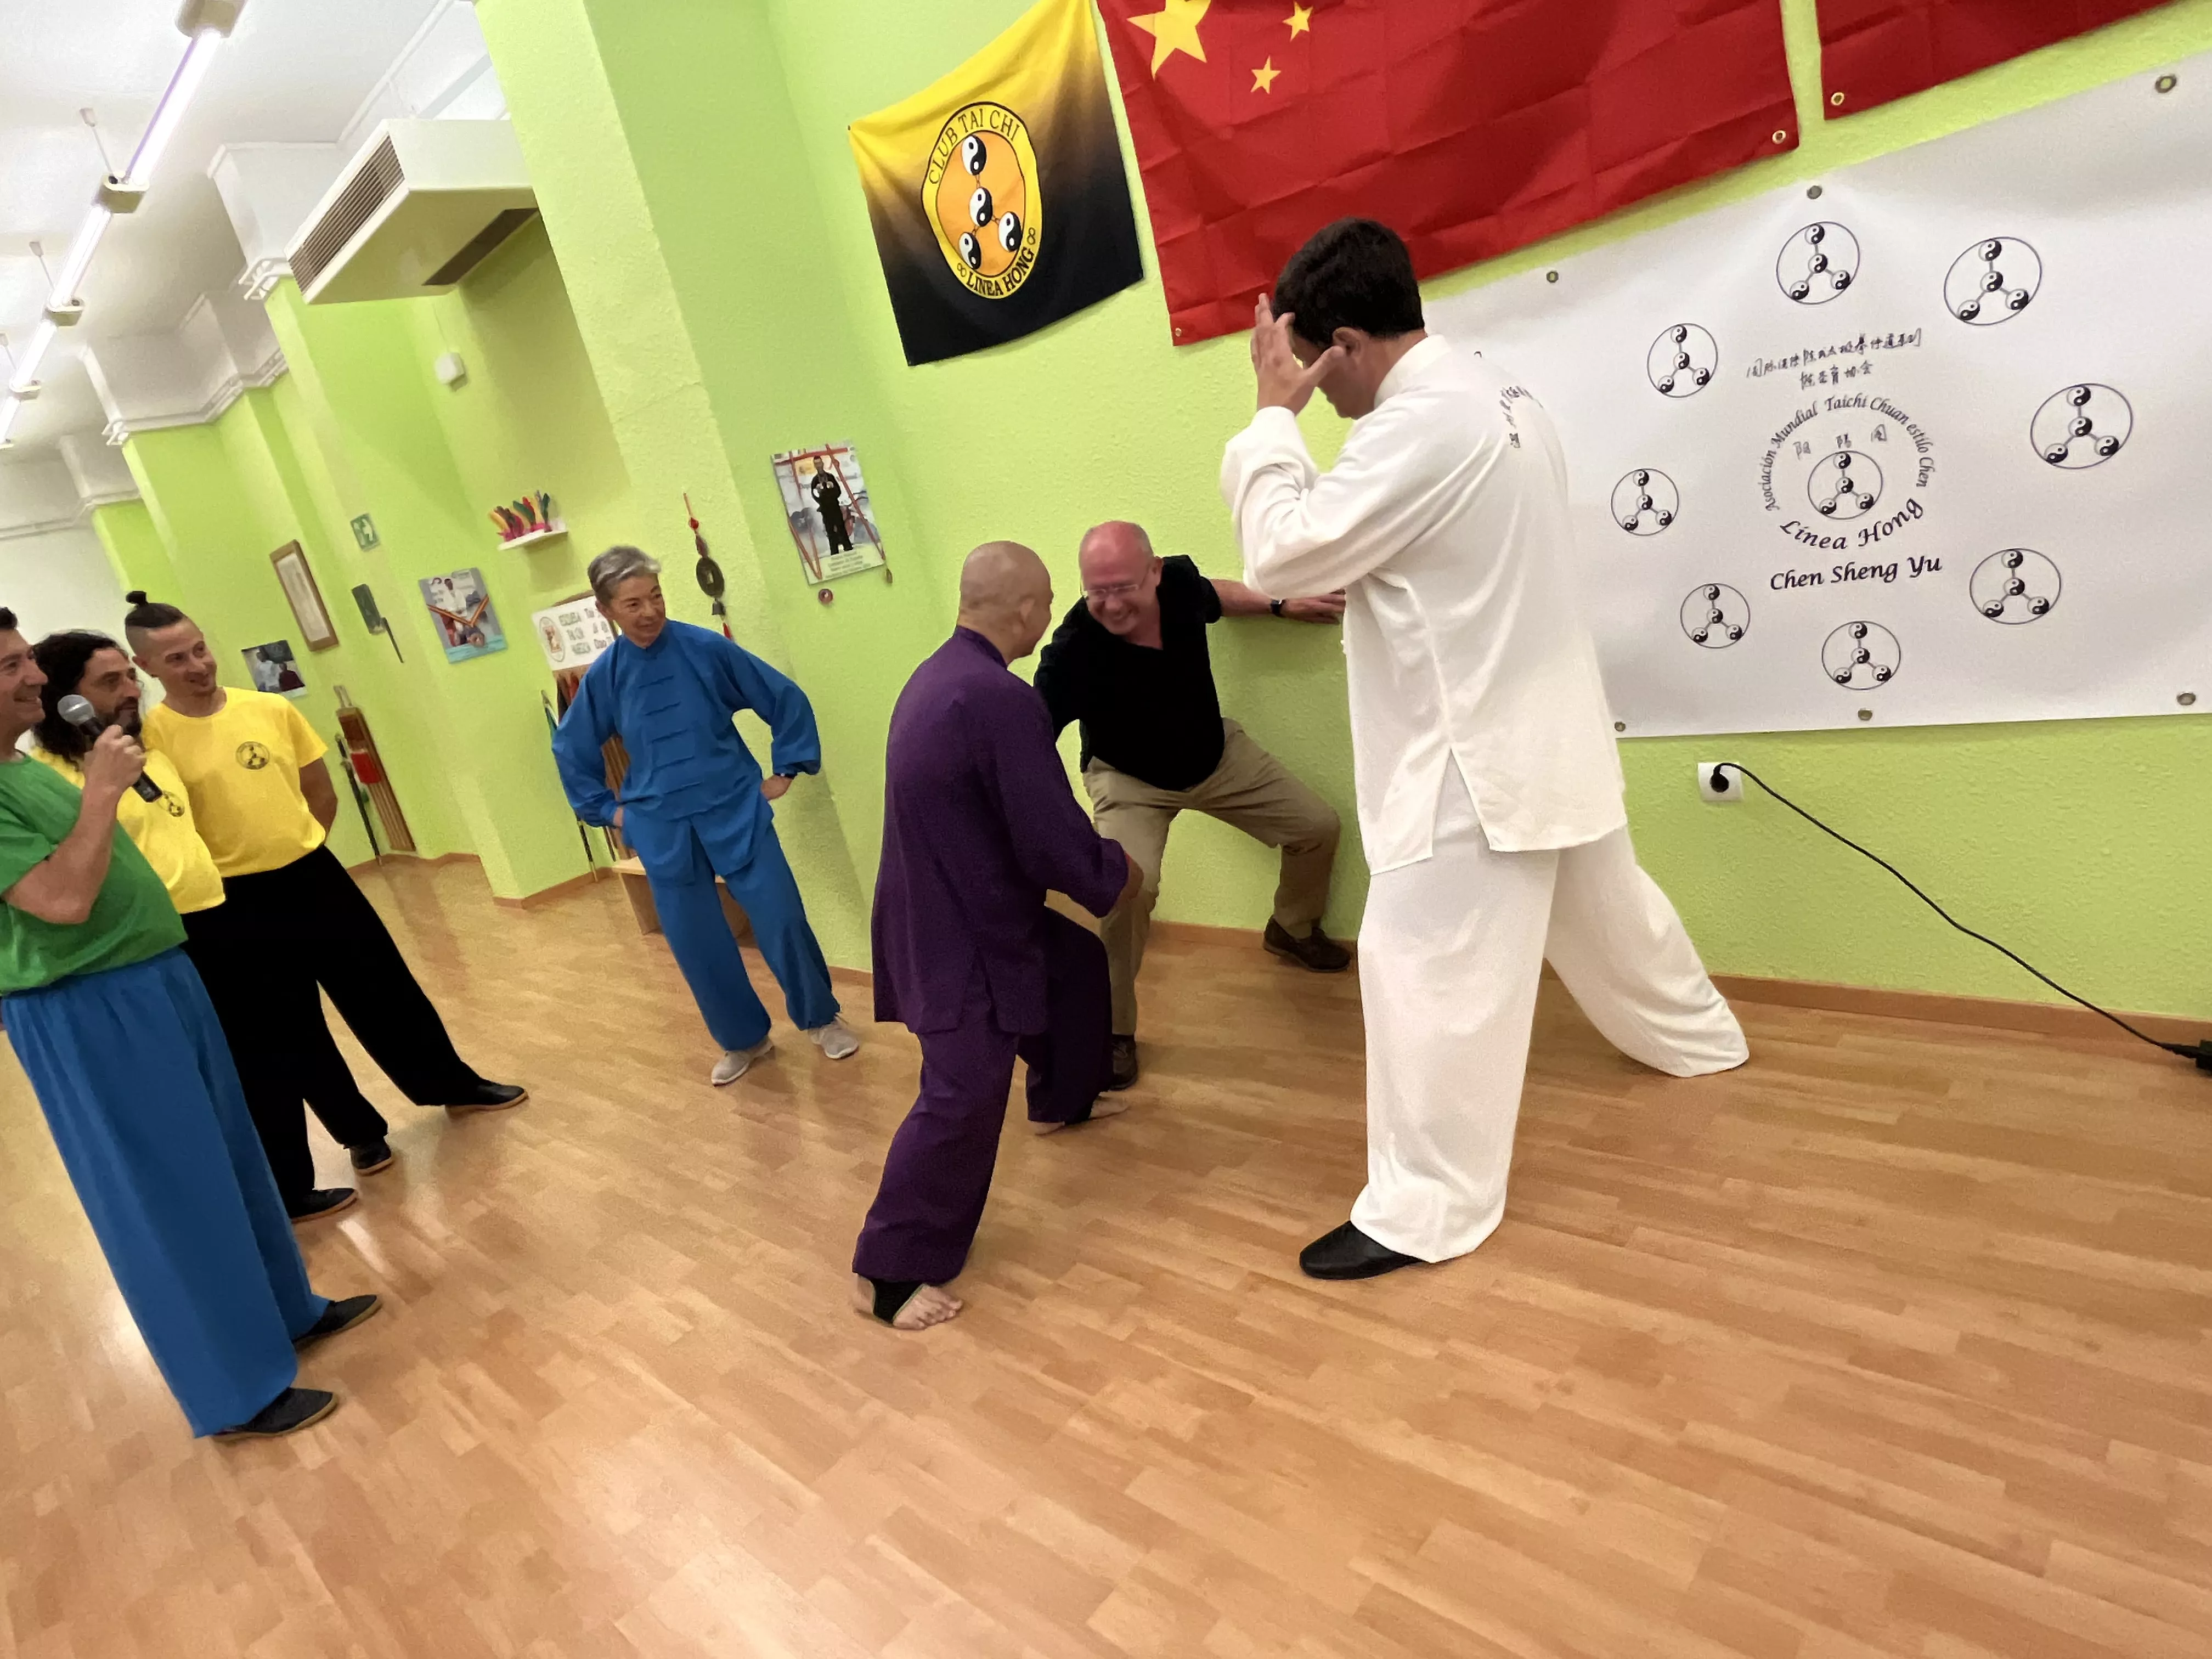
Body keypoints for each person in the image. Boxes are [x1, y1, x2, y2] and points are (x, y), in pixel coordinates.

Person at [1220, 219, 1748, 1281]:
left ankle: (1424, 1209)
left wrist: (1269, 421)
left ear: (1349, 343)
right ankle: (1698, 1040)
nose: (1317, 397)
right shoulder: (1502, 395)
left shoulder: (1417, 430)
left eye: (1316, 373)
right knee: (1612, 915)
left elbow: (1279, 550)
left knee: (1420, 972)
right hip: (1547, 732)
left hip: (1472, 757)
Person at [0, 610, 377, 1439]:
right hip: (84, 1003)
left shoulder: (19, 771)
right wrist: (101, 792)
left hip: (158, 974)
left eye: (27, 659)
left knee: (233, 1161)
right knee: (167, 1193)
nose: (32, 678)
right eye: (10, 668)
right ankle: (234, 1387)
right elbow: (59, 902)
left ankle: (288, 1311)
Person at [851, 541, 1139, 1330]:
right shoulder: (997, 699)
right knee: (961, 1094)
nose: (1050, 618)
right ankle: (888, 1271)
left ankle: (1063, 1100)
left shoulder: (942, 675)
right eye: (1049, 603)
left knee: (1073, 965)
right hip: (959, 936)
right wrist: (1114, 876)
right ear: (1025, 610)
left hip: (956, 903)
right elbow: (1047, 833)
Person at [126, 594, 526, 1142]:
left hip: (313, 876)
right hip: (236, 904)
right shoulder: (152, 741)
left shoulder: (270, 709)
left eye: (200, 650)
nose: (197, 666)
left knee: (385, 989)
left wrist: (298, 848)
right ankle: (360, 1133)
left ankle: (450, 1083)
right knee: (292, 1026)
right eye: (176, 659)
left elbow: (320, 793)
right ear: (145, 666)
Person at [29, 631, 363, 1222]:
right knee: (241, 1070)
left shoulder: (144, 751)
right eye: (109, 683)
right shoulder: (56, 776)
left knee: (280, 1047)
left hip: (223, 916)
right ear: (63, 697)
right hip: (163, 941)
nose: (132, 691)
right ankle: (274, 1196)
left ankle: (301, 1177)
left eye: (130, 677)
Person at [1034, 520, 1348, 1088]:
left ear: (1154, 572)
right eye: (1096, 591)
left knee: (1319, 826)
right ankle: (1113, 1031)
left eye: (1122, 586)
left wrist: (1280, 606)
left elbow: (1217, 595)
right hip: (1128, 780)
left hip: (1215, 756)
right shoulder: (1076, 648)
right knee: (1127, 889)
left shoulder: (1179, 583)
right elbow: (1032, 734)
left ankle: (1292, 927)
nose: (1110, 604)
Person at [553, 546, 859, 1084]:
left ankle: (821, 1019)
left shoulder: (705, 650)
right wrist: (609, 812)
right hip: (661, 826)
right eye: (633, 604)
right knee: (697, 943)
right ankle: (744, 1041)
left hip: (735, 808)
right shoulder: (605, 676)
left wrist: (785, 770)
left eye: (656, 597)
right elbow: (571, 748)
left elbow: (782, 698)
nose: (649, 611)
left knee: (781, 917)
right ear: (607, 611)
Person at [811, 464, 854, 556]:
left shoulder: (830, 477)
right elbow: (814, 495)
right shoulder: (815, 481)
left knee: (841, 527)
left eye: (820, 464)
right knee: (830, 531)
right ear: (815, 466)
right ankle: (834, 551)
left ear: (822, 464)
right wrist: (819, 493)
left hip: (835, 507)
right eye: (817, 464)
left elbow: (838, 492)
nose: (819, 466)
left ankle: (848, 547)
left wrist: (833, 488)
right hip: (825, 510)